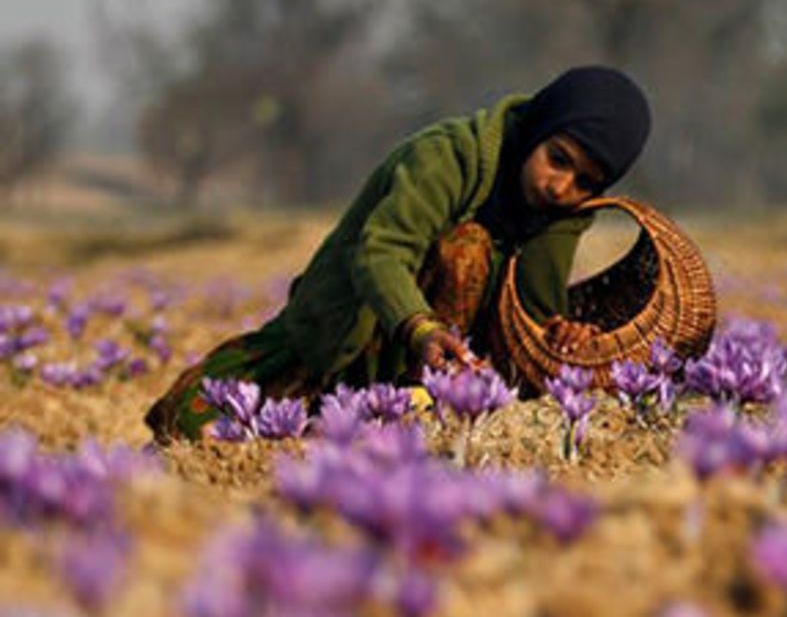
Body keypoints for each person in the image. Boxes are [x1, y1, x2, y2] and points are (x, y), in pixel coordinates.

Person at [146, 65, 651, 442]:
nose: (561, 186)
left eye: (586, 181)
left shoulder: (563, 213)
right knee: (208, 427)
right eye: (557, 159)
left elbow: (532, 311)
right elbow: (383, 251)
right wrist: (421, 328)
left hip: (435, 373)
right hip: (345, 335)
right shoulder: (450, 156)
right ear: (539, 128)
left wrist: (562, 336)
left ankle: (403, 413)